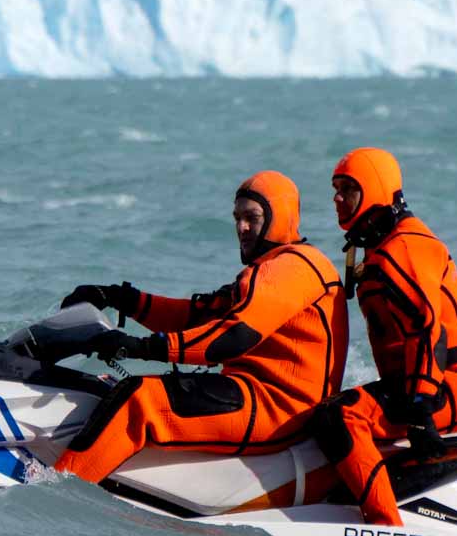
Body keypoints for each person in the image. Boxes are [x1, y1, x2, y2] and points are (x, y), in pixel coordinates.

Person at [52, 170, 347, 484]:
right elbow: (197, 316)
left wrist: (138, 346)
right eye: (237, 218)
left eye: (253, 217)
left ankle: (55, 489)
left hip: (281, 411)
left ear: (280, 216)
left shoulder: (293, 268)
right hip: (256, 394)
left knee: (141, 399)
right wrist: (119, 297)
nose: (242, 228)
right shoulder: (273, 267)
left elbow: (231, 338)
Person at [311, 147, 457, 526]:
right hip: (416, 385)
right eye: (335, 189)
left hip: (449, 387)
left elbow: (427, 331)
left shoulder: (404, 247)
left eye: (348, 189)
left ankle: (384, 525)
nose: (337, 198)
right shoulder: (381, 244)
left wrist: (421, 413)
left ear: (374, 190)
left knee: (337, 417)